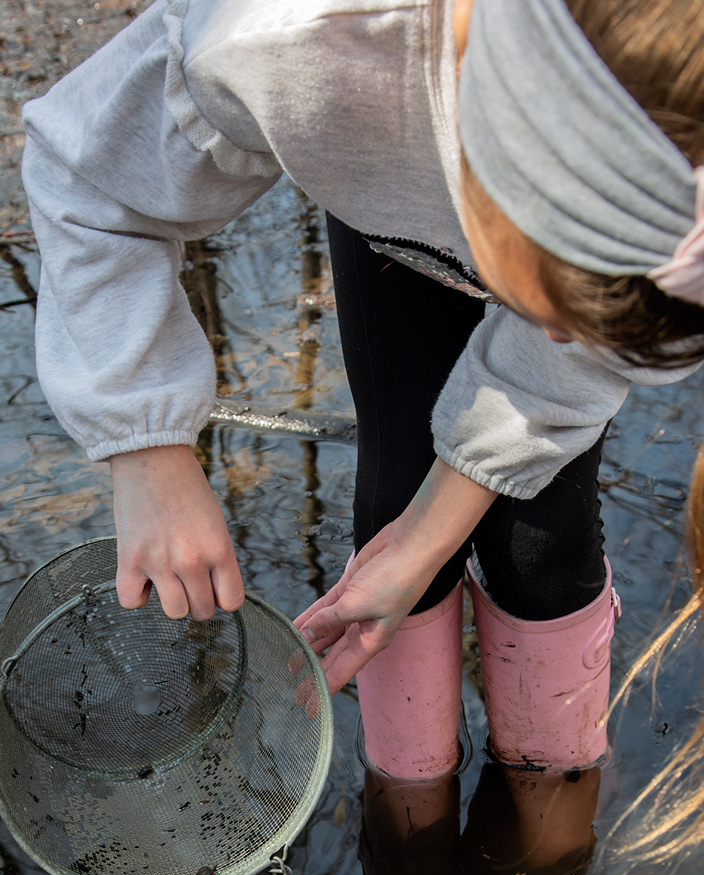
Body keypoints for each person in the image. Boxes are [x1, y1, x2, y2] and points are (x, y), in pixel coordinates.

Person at [20, 0, 701, 792]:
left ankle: (553, 799)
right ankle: (408, 811)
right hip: (386, 147)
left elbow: (594, 335)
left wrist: (425, 540)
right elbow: (86, 173)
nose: (557, 343)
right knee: (397, 471)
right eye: (556, 308)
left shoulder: (660, 135)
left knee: (540, 541)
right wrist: (149, 454)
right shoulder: (283, 41)